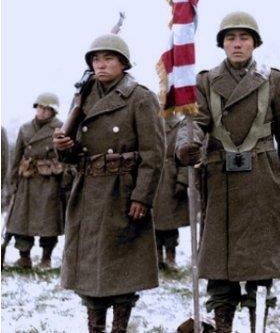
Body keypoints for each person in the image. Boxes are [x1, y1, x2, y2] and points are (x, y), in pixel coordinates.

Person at [175, 11, 280, 332]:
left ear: (254, 43)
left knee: (260, 268)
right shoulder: (205, 81)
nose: (237, 44)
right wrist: (187, 144)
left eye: (244, 38)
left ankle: (257, 323)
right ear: (222, 44)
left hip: (263, 179)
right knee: (220, 266)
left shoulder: (274, 80)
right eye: (230, 38)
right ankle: (223, 325)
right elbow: (196, 121)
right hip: (221, 182)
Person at [53, 33, 164, 333]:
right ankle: (96, 327)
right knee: (90, 268)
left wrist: (142, 196)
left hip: (122, 192)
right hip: (87, 190)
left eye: (109, 58)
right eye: (96, 59)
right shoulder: (83, 97)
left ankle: (119, 328)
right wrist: (63, 147)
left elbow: (154, 154)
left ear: (123, 64)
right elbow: (72, 154)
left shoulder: (140, 97)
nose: (101, 65)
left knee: (122, 268)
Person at [3, 93, 68, 269]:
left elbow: (67, 157)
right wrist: (13, 180)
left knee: (48, 224)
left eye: (47, 109)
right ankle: (24, 257)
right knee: (21, 222)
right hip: (27, 181)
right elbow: (16, 156)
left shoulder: (61, 128)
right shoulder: (25, 129)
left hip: (50, 182)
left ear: (53, 111)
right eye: (40, 107)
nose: (42, 111)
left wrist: (65, 180)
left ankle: (46, 257)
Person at [153, 114, 189, 271]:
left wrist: (182, 180)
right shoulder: (150, 122)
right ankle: (157, 257)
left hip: (171, 180)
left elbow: (185, 157)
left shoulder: (179, 126)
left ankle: (170, 257)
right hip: (153, 177)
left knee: (170, 224)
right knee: (153, 224)